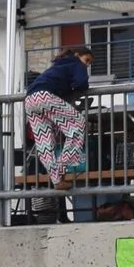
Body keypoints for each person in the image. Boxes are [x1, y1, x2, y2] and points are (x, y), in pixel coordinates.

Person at [23, 43, 92, 193]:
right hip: (45, 97)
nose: (87, 65)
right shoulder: (76, 64)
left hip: (30, 100)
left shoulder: (58, 65)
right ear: (77, 55)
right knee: (78, 124)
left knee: (44, 141)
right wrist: (77, 87)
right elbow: (82, 83)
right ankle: (62, 165)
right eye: (87, 60)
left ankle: (56, 179)